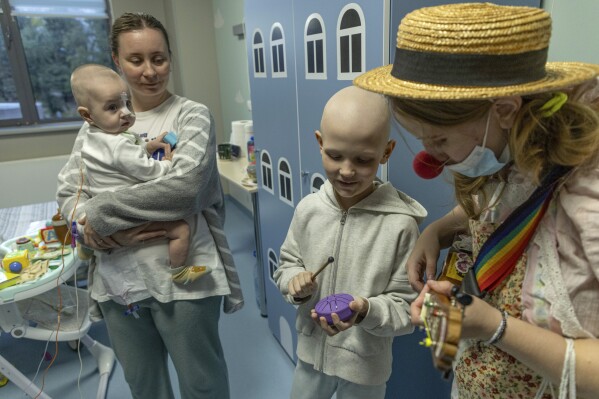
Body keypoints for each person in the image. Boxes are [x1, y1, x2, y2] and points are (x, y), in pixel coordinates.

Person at [354, 3, 599, 398]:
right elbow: (510, 204)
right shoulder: (516, 150)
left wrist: (495, 327)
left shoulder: (588, 197)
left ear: (504, 110)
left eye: (440, 140)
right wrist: (437, 230)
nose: (431, 157)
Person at [57, 12, 243, 399]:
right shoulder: (91, 128)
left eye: (158, 58)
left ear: (170, 58)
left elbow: (184, 189)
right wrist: (86, 228)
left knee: (202, 381)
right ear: (117, 61)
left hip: (187, 279)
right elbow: (68, 195)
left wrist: (100, 215)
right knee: (144, 384)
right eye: (135, 60)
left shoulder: (191, 116)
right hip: (118, 281)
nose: (149, 71)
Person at [274, 85, 425, 399]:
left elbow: (406, 308)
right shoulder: (308, 210)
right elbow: (286, 266)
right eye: (334, 155)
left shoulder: (401, 226)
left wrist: (365, 311)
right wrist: (295, 284)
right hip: (310, 357)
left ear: (386, 152)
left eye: (363, 160)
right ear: (320, 143)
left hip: (366, 370)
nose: (346, 171)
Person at [70, 64, 210, 289]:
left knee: (86, 230)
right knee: (181, 230)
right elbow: (146, 171)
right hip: (123, 212)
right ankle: (179, 272)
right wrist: (167, 164)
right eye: (113, 107)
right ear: (87, 115)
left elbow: (123, 156)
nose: (125, 112)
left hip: (100, 212)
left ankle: (84, 247)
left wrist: (148, 145)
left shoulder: (94, 138)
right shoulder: (117, 145)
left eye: (126, 103)